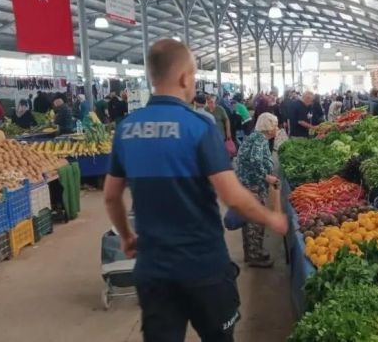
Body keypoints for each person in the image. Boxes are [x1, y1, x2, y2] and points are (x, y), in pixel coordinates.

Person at [103, 39, 287, 342]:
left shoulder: (127, 128)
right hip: (203, 266)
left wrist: (126, 236)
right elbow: (232, 195)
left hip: (154, 269)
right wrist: (270, 217)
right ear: (185, 78)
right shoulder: (198, 127)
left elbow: (111, 196)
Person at [235, 112, 279, 267]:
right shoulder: (260, 139)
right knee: (255, 221)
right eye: (275, 125)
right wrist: (267, 177)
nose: (277, 128)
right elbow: (254, 161)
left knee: (249, 221)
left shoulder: (255, 137)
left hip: (246, 184)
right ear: (268, 127)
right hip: (252, 185)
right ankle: (255, 256)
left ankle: (251, 253)